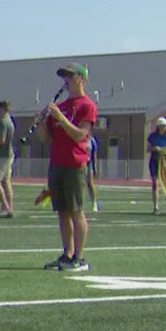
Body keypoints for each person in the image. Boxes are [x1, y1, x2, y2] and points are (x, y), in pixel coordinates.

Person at [42, 63, 99, 271]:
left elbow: (79, 135)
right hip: (57, 162)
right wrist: (41, 122)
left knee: (76, 211)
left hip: (75, 163)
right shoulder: (62, 105)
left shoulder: (87, 105)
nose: (65, 80)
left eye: (70, 76)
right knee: (62, 212)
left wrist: (61, 118)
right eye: (64, 76)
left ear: (81, 79)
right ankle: (67, 253)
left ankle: (79, 257)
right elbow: (47, 138)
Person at [147, 117, 166, 214]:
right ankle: (156, 207)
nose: (163, 127)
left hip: (165, 161)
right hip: (155, 160)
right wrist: (154, 149)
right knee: (155, 184)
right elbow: (148, 149)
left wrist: (162, 149)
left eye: (164, 126)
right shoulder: (153, 136)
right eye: (162, 126)